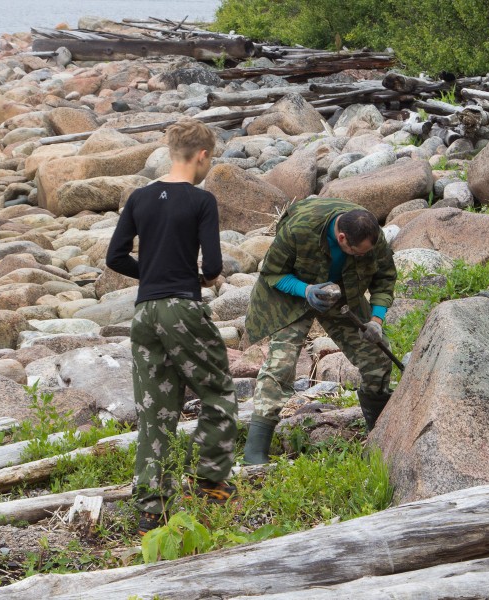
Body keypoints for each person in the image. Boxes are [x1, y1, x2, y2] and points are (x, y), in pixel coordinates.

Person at [105, 118, 238, 535]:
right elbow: (213, 266)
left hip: (144, 314)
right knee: (217, 391)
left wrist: (152, 271)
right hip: (182, 308)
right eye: (209, 160)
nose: (207, 166)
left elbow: (115, 257)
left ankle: (151, 508)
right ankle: (210, 481)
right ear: (201, 156)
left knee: (154, 409)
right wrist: (194, 276)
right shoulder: (201, 201)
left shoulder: (139, 198)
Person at [242, 197, 397, 464]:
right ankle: (255, 453)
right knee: (280, 366)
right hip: (291, 294)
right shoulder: (300, 228)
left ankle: (381, 435)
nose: (362, 256)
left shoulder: (372, 237)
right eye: (356, 252)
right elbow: (272, 273)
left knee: (377, 360)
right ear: (341, 237)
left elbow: (384, 279)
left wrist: (376, 321)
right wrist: (306, 290)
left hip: (342, 295)